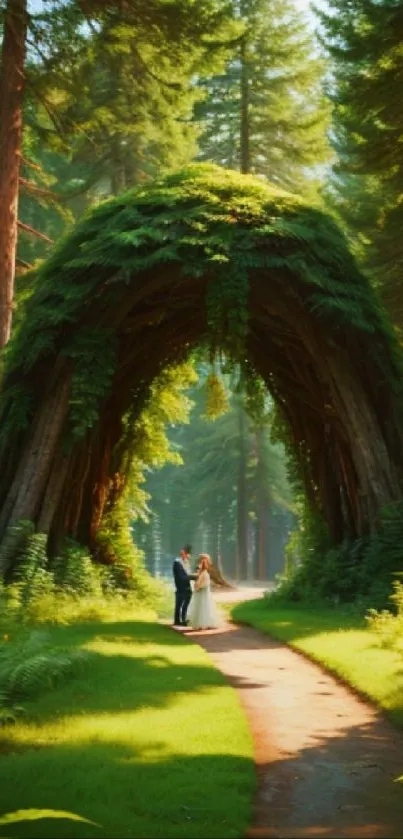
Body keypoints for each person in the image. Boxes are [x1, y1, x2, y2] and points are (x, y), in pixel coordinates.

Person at [189, 554, 221, 630]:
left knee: (204, 605)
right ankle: (204, 622)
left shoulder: (204, 572)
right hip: (203, 590)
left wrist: (199, 586)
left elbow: (204, 581)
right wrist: (198, 586)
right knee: (203, 605)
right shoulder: (202, 571)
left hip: (204, 590)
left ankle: (205, 622)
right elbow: (201, 580)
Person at [172, 544, 197, 626]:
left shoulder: (186, 562)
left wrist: (193, 577)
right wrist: (194, 577)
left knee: (186, 604)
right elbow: (181, 576)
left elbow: (187, 574)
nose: (184, 555)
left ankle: (183, 619)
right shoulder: (177, 563)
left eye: (184, 554)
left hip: (187, 586)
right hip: (180, 586)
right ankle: (177, 620)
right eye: (182, 554)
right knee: (179, 604)